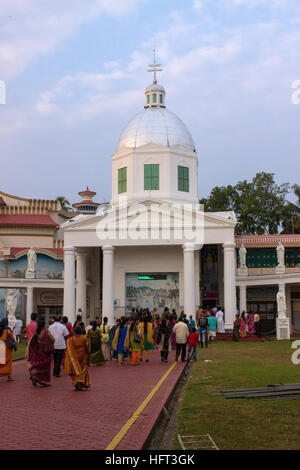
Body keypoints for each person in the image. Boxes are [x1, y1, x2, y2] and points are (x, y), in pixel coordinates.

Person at [26, 319, 55, 387]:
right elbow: (53, 340)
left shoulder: (35, 334)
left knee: (38, 366)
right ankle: (44, 381)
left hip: (37, 354)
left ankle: (35, 376)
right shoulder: (46, 332)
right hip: (45, 354)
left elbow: (31, 344)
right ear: (44, 325)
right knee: (46, 367)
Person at [64, 326, 91, 391]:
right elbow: (87, 347)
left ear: (74, 332)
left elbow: (69, 349)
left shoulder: (71, 339)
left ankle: (77, 383)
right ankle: (80, 383)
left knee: (75, 370)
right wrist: (88, 354)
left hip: (74, 357)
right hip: (83, 356)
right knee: (83, 370)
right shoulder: (84, 337)